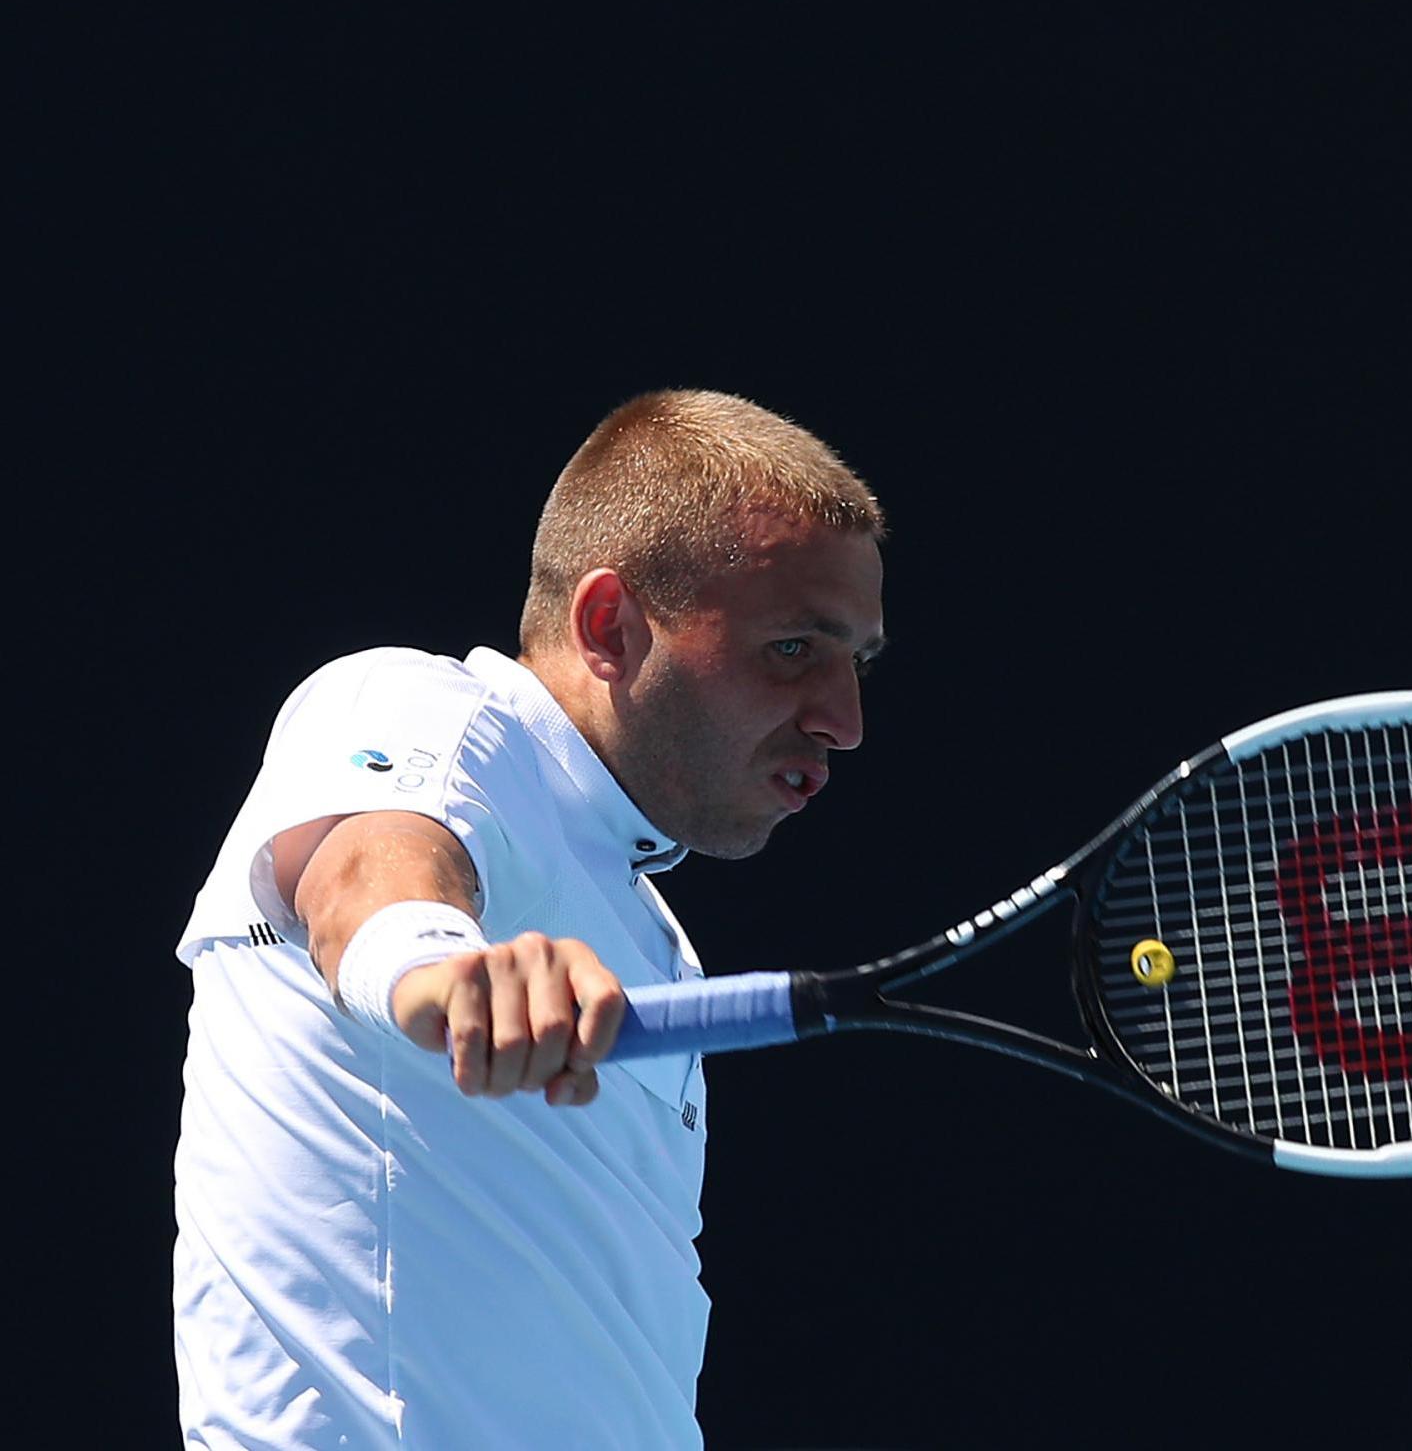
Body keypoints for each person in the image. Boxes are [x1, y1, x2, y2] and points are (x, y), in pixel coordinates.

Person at [173, 389, 887, 1449]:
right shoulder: (424, 713)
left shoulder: (653, 940)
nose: (844, 720)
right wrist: (446, 979)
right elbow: (369, 877)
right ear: (610, 625)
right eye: (793, 647)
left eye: (857, 661)